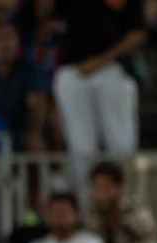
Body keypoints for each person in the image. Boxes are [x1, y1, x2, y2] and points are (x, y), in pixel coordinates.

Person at [52, 0, 145, 190]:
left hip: (113, 69)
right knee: (81, 149)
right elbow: (48, 19)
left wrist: (101, 61)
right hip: (72, 71)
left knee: (120, 145)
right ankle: (86, 208)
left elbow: (138, 33)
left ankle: (127, 203)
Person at [0, 22, 47, 150]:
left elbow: (37, 105)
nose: (4, 45)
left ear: (17, 42)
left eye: (8, 38)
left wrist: (34, 133)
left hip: (21, 133)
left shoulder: (31, 70)